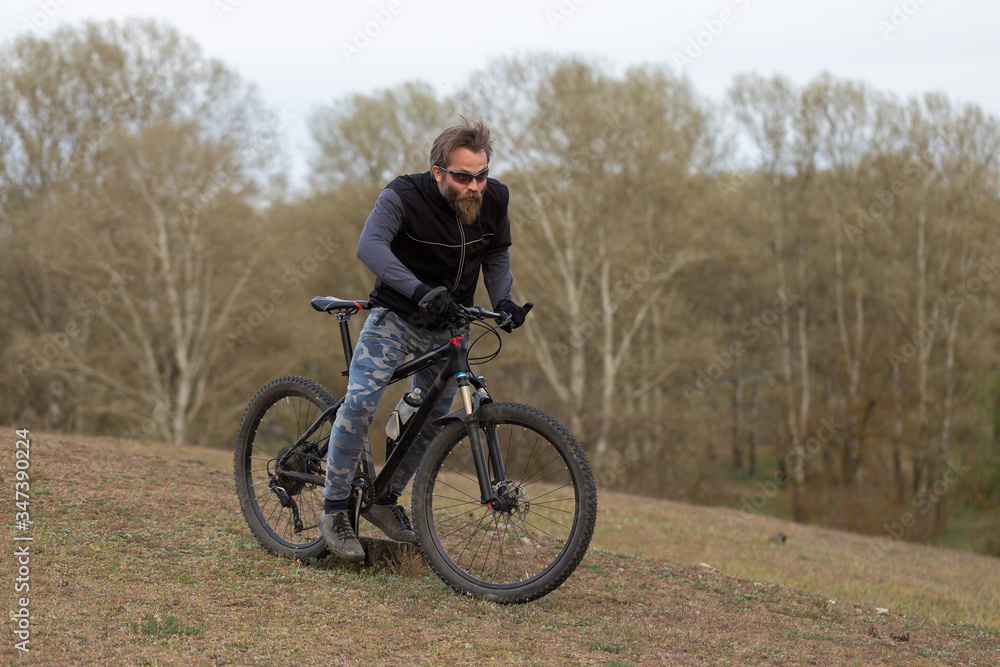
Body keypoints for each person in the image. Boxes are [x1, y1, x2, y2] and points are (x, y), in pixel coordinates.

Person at [321, 117, 528, 561]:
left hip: (451, 326)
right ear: (438, 172)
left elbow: (496, 253)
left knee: (434, 419)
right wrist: (418, 290)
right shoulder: (403, 195)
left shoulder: (495, 199)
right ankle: (335, 509)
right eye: (463, 176)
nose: (475, 186)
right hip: (395, 317)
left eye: (482, 175)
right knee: (360, 404)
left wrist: (505, 299)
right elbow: (370, 246)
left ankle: (383, 500)